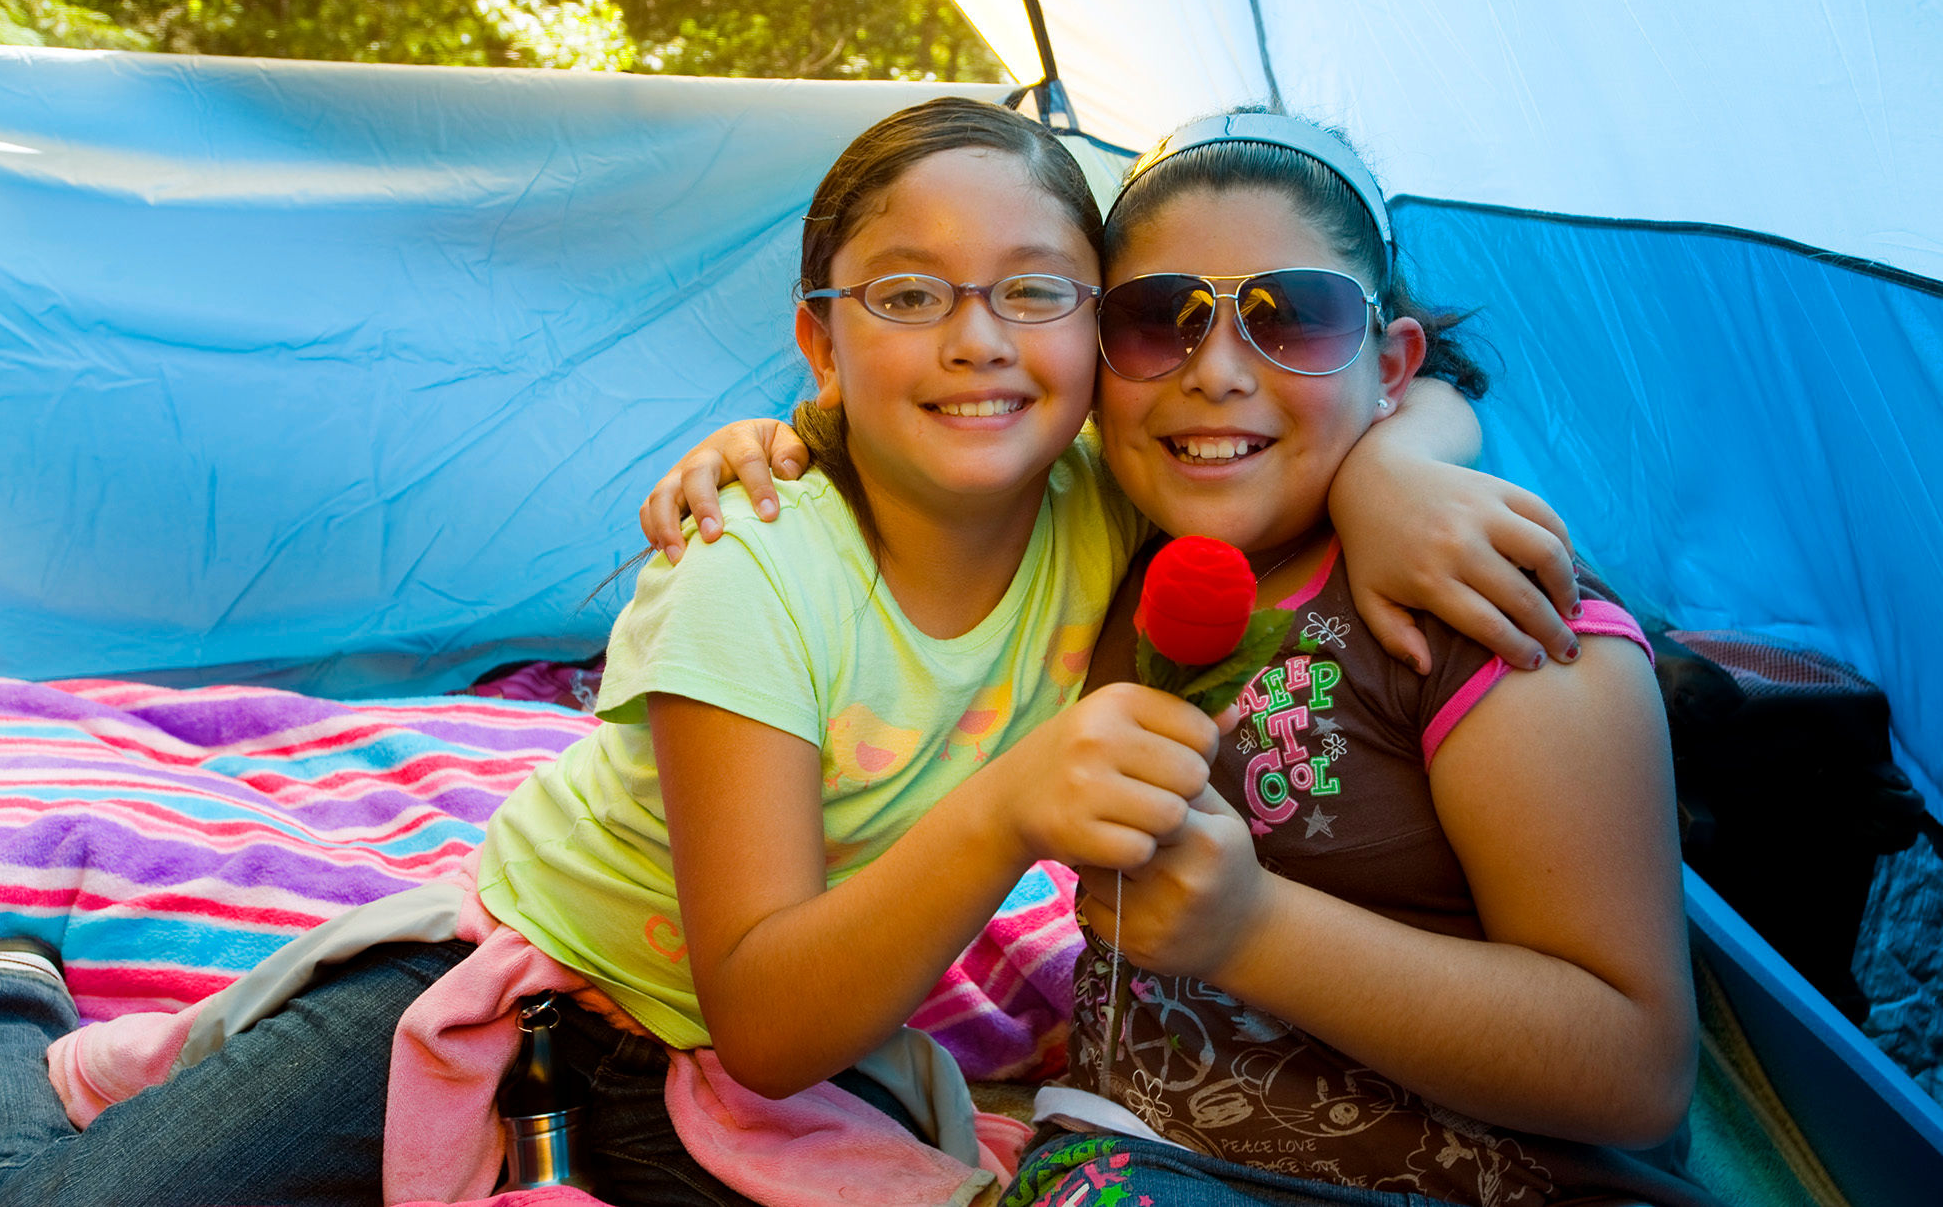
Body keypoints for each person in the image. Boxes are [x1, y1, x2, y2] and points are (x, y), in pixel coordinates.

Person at [660, 110, 1711, 1207]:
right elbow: (938, 426)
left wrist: (1256, 932)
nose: (1213, 372)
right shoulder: (1116, 528)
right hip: (1127, 1153)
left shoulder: (1488, 614)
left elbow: (1637, 1071)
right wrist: (775, 443)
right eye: (1157, 320)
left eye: (1293, 318)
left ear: (1388, 361)